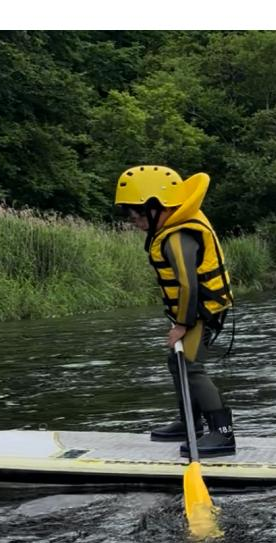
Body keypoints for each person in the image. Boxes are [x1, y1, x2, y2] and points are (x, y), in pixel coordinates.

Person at [114, 165, 235, 458]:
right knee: (177, 363)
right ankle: (189, 423)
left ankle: (222, 433)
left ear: (159, 207)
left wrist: (182, 324)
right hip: (191, 312)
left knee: (191, 366)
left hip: (200, 312)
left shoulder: (179, 236)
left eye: (139, 214)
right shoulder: (170, 230)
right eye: (131, 215)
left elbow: (188, 285)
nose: (135, 221)